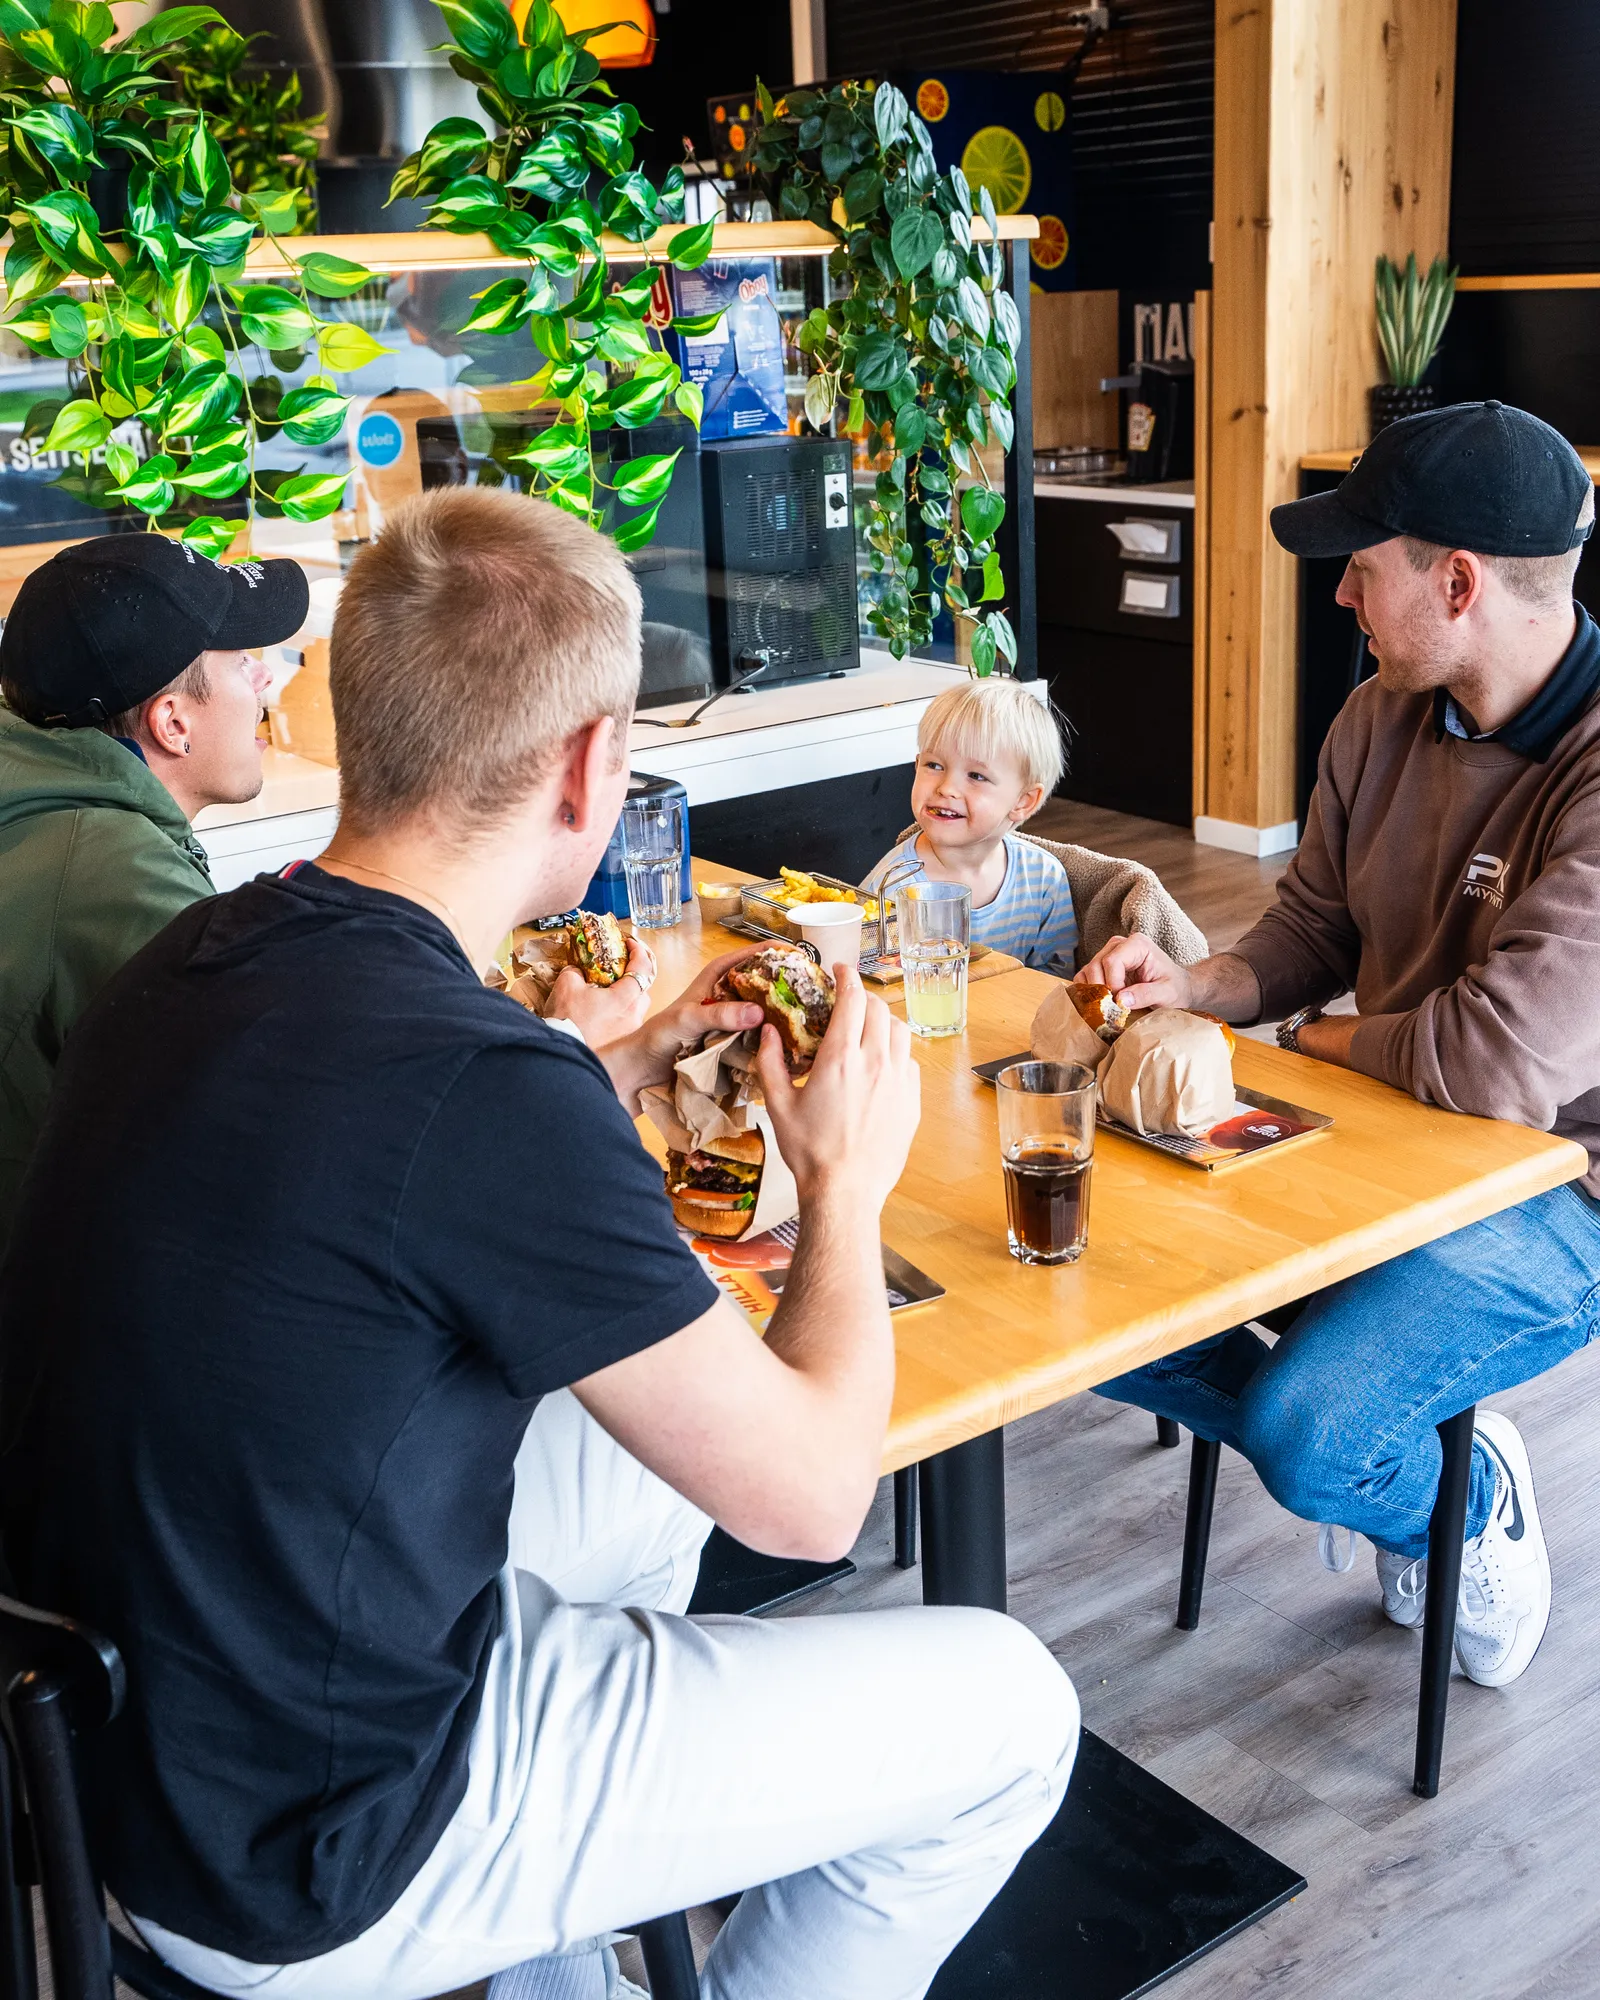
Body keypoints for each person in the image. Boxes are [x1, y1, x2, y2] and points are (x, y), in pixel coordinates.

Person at [0, 485, 1079, 2000]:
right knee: (1013, 1713)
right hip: (318, 1845)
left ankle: (556, 1965)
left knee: (646, 1481)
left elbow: (391, 1161)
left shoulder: (200, 947)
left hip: (136, 1742)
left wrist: (618, 1062)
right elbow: (817, 1498)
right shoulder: (476, 1079)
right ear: (589, 766)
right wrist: (843, 1181)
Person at [1081, 400, 1600, 1689]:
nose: (1341, 597)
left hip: (1559, 1191)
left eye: (1361, 569)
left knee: (1309, 1432)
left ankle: (1459, 1498)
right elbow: (1312, 924)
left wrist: (1311, 1038)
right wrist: (1198, 983)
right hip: (1377, 1137)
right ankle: (1410, 1441)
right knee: (1083, 1290)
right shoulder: (1376, 716)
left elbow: (1494, 1064)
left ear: (1458, 583)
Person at [0, 533, 308, 1249]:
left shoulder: (39, 793)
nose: (264, 679)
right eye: (240, 662)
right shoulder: (121, 880)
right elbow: (274, 1135)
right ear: (173, 723)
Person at [866, 675, 1078, 972]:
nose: (946, 788)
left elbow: (1059, 976)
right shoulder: (891, 887)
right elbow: (871, 982)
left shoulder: (1043, 877)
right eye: (934, 765)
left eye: (976, 776)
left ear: (1023, 801)